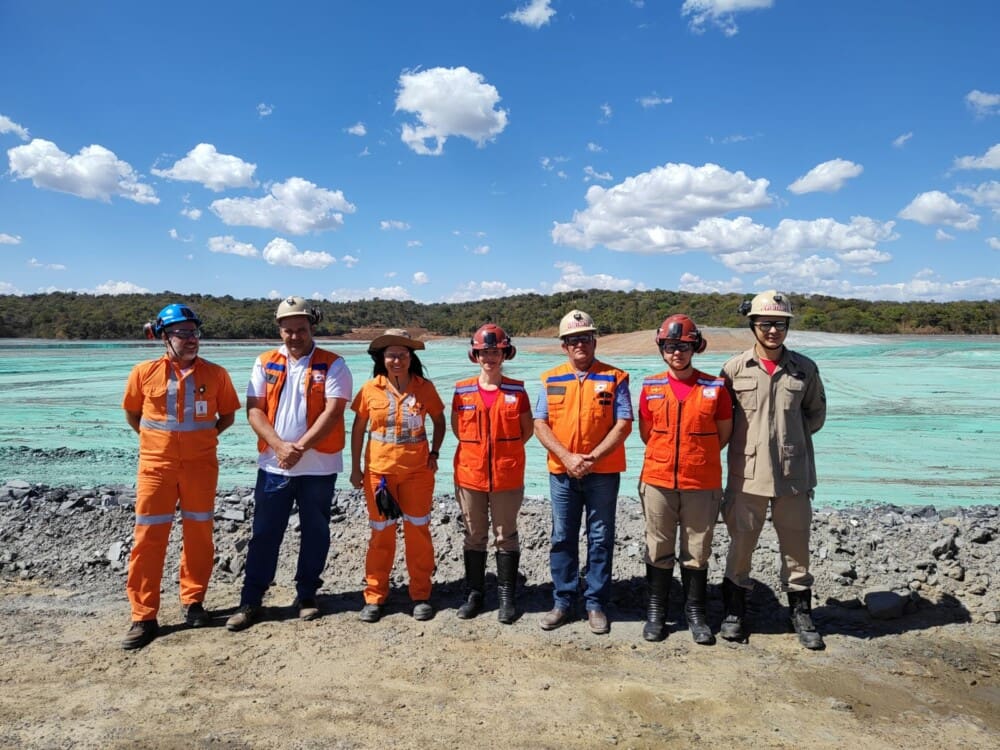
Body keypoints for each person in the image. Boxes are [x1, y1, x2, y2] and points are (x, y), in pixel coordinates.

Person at [226, 297, 352, 632]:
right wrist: (280, 446)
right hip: (273, 465)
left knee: (316, 532)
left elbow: (333, 411)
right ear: (279, 329)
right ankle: (251, 600)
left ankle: (307, 595)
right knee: (265, 534)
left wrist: (299, 448)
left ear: (312, 327)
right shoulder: (264, 362)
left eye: (301, 329)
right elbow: (254, 409)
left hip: (319, 467)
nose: (294, 336)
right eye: (288, 330)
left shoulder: (334, 364)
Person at [121, 303, 240, 650]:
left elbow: (228, 417)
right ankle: (143, 616)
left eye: (194, 332)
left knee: (199, 535)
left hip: (201, 468)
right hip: (156, 468)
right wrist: (160, 445)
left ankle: (193, 602)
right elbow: (133, 416)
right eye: (182, 333)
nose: (191, 339)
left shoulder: (216, 374)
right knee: (148, 539)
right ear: (163, 336)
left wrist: (199, 443)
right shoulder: (143, 372)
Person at [720, 290, 827, 650]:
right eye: (765, 324)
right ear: (753, 325)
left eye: (780, 324)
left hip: (792, 476)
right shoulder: (734, 369)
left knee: (797, 548)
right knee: (741, 545)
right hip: (746, 476)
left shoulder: (805, 369)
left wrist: (788, 442)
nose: (772, 331)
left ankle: (800, 612)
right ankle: (735, 611)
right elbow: (723, 419)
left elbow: (815, 415)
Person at [534, 310, 633, 634]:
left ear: (594, 341)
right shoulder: (550, 379)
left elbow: (623, 423)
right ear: (564, 345)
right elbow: (540, 424)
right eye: (573, 339)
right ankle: (562, 601)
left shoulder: (616, 377)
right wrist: (566, 457)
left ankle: (595, 604)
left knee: (601, 539)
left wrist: (591, 458)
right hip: (562, 472)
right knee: (562, 537)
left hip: (602, 473)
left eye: (585, 338)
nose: (580, 344)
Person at [638, 315, 732, 645]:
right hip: (658, 480)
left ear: (696, 347)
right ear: (661, 348)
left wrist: (695, 457)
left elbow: (723, 434)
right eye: (670, 346)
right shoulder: (650, 387)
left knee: (697, 550)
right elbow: (647, 433)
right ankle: (656, 612)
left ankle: (696, 613)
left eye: (684, 346)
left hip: (701, 482)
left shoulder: (715, 387)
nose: (677, 352)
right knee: (659, 546)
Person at [350, 329, 446, 623]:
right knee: (381, 534)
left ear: (410, 358)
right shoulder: (370, 390)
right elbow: (357, 430)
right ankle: (375, 596)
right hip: (379, 475)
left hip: (418, 473)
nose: (397, 360)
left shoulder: (424, 388)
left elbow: (440, 422)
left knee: (418, 532)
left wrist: (435, 454)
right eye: (391, 355)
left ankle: (420, 594)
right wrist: (356, 468)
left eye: (402, 355)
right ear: (382, 358)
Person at [451, 323, 533, 623]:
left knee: (505, 535)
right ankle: (474, 594)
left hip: (507, 476)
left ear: (505, 353)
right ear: (475, 355)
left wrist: (502, 454)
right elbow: (457, 430)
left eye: (495, 351)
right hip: (470, 475)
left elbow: (527, 431)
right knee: (474, 535)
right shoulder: (461, 391)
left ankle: (506, 597)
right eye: (484, 352)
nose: (489, 358)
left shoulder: (517, 390)